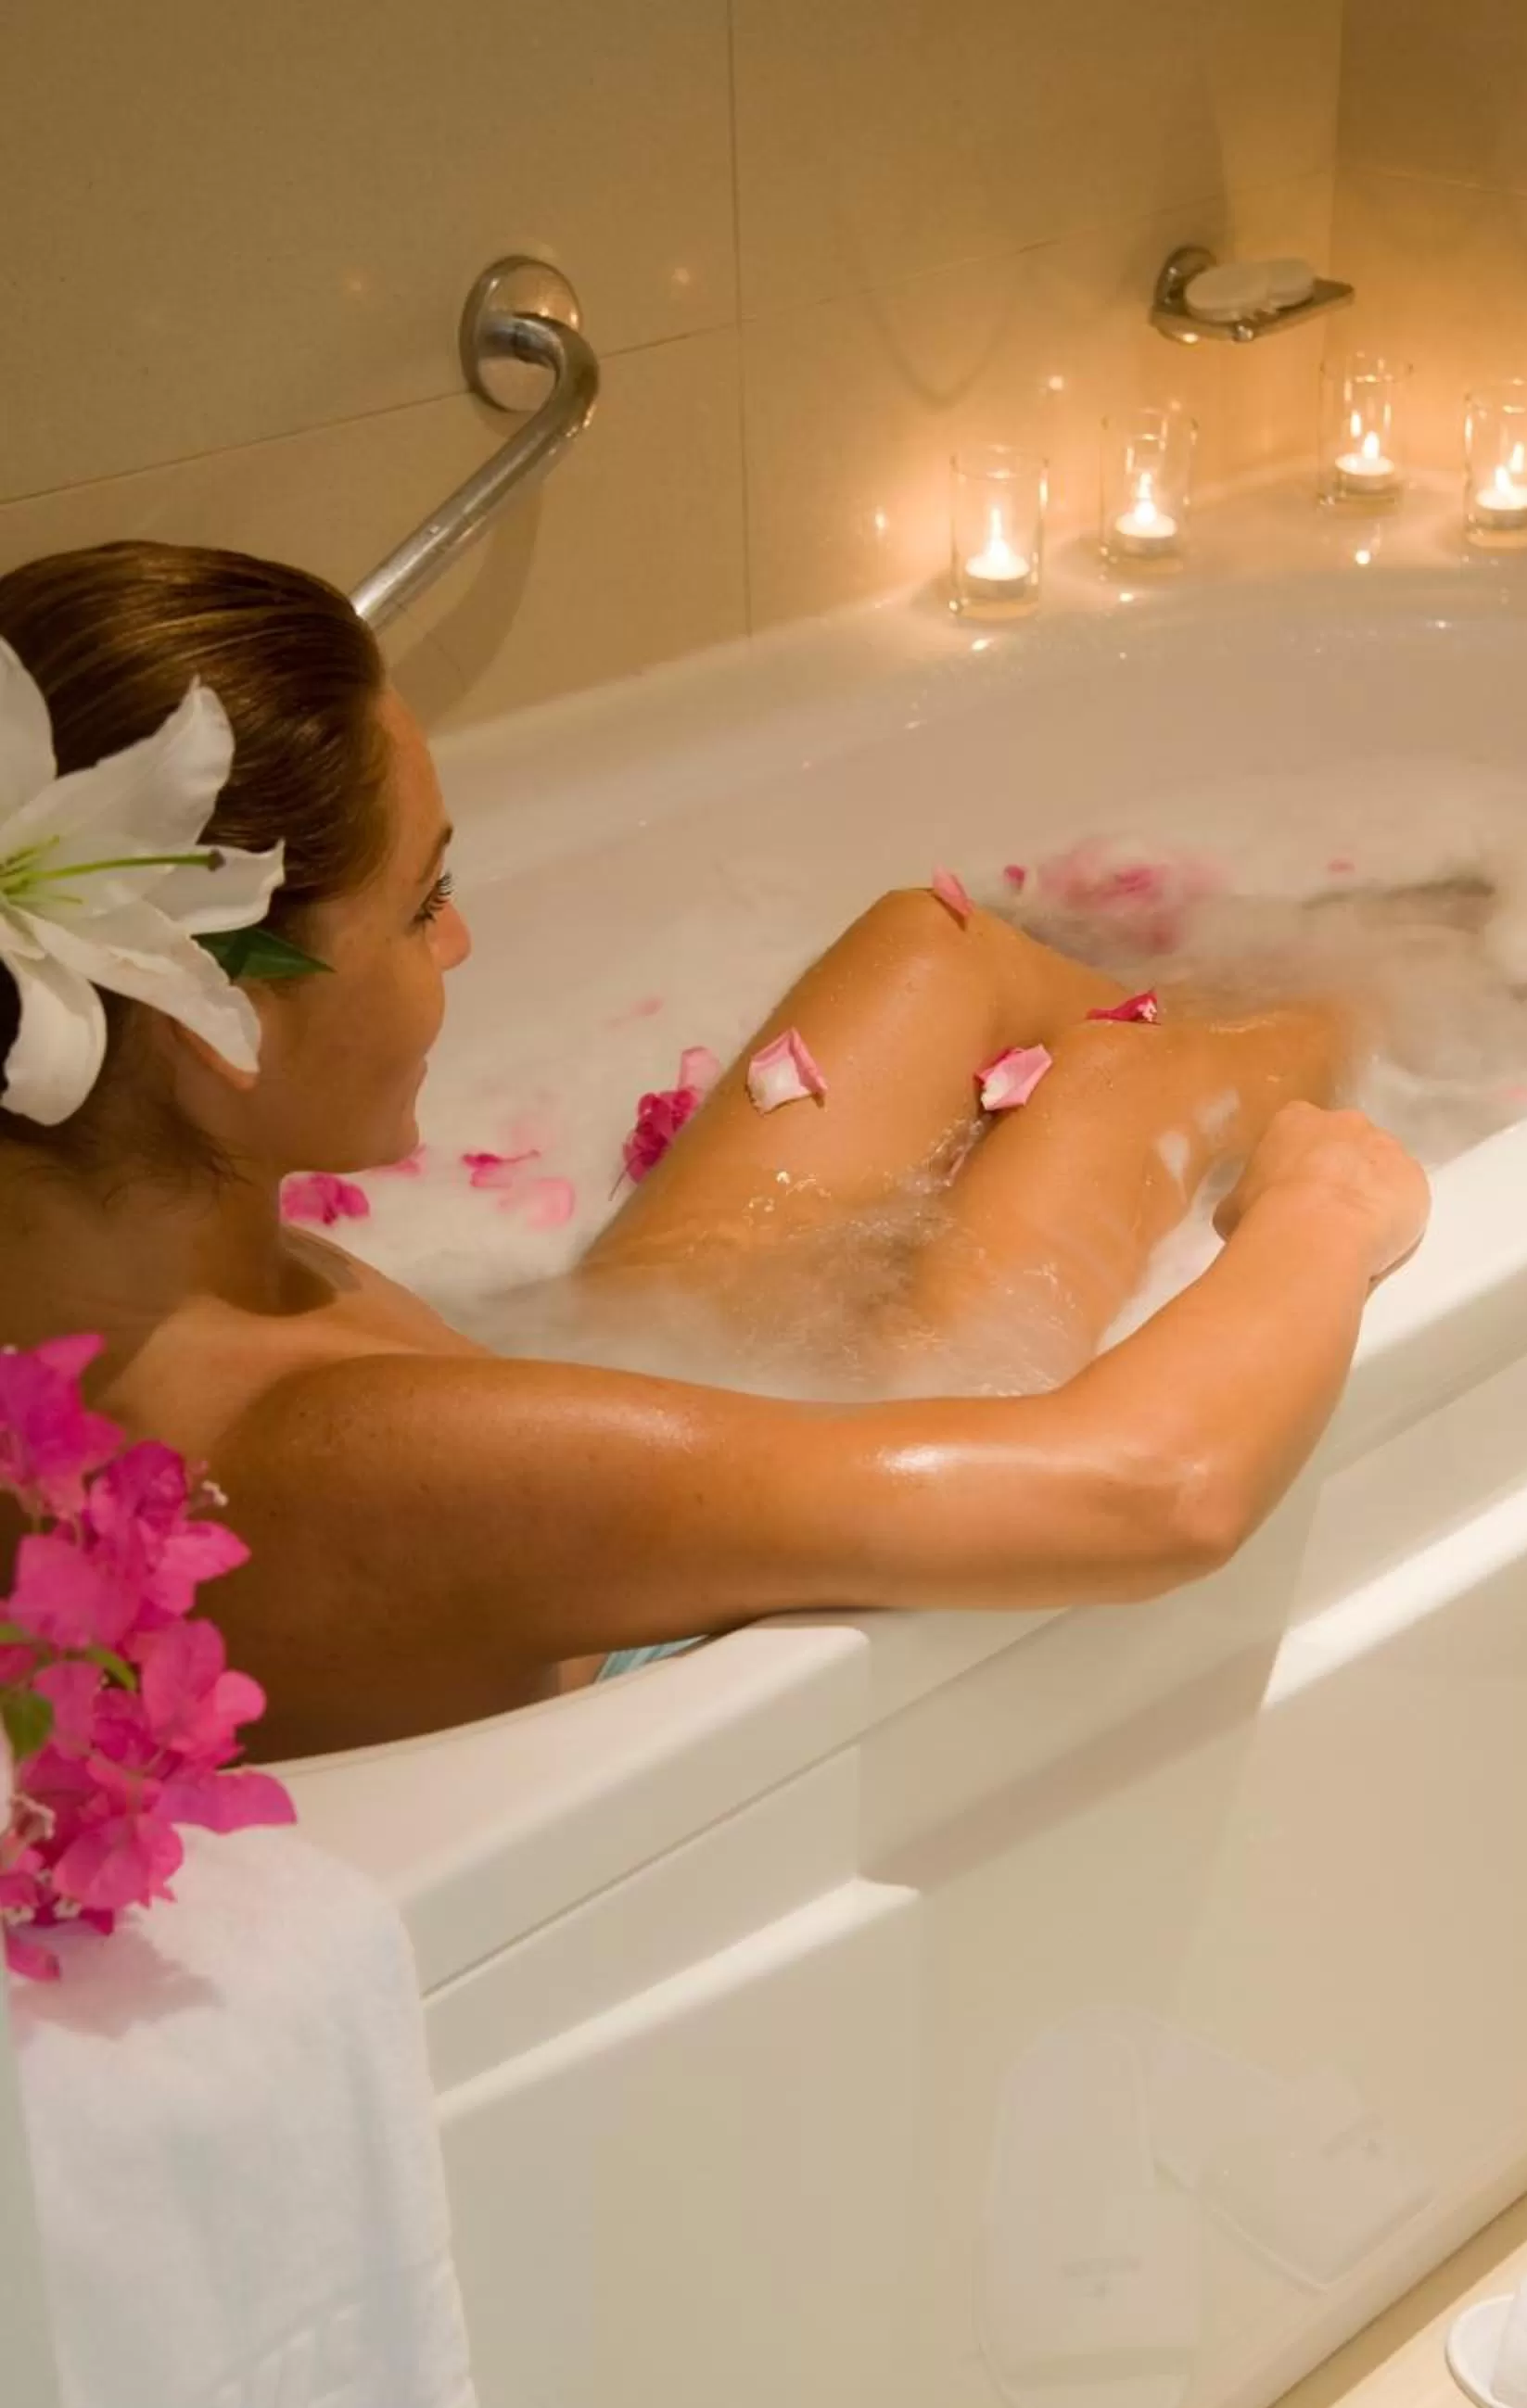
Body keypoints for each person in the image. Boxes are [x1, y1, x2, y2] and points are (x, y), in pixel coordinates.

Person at [0, 542, 1429, 1759]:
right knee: (1113, 1093)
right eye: (422, 902)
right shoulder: (323, 1453)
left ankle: (1352, 998)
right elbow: (1151, 1494)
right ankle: (1392, 1010)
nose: (462, 942)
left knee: (923, 950)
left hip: (585, 1453)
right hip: (659, 1598)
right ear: (219, 1022)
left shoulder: (91, 1239)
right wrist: (1325, 1206)